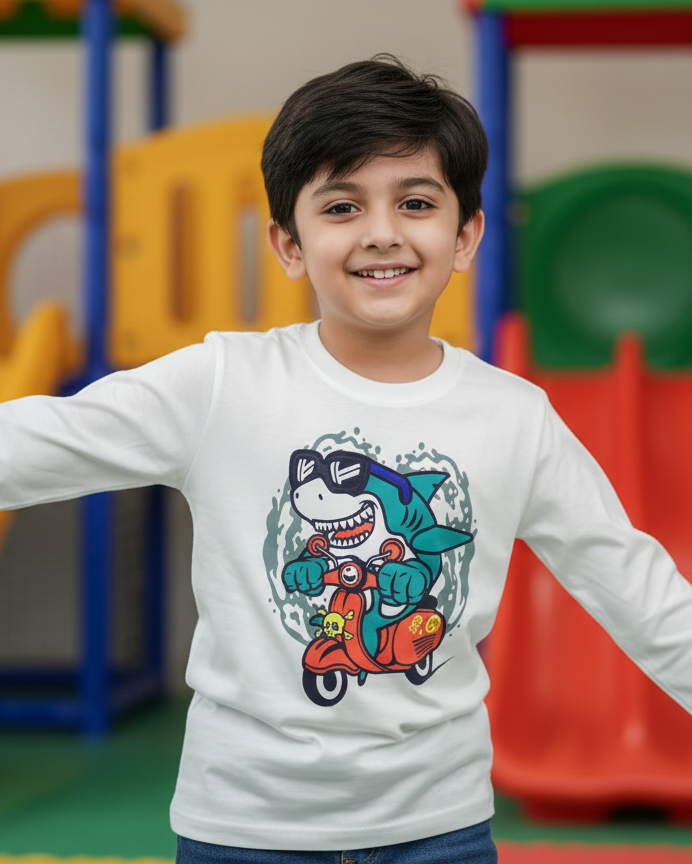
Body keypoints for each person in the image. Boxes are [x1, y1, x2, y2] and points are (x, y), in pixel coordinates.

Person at [1, 55, 691, 864]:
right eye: (341, 204)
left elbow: (635, 585)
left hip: (439, 829)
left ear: (465, 235)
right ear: (288, 244)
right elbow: (34, 443)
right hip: (243, 829)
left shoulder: (514, 417)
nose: (382, 232)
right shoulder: (222, 383)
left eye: (417, 202)